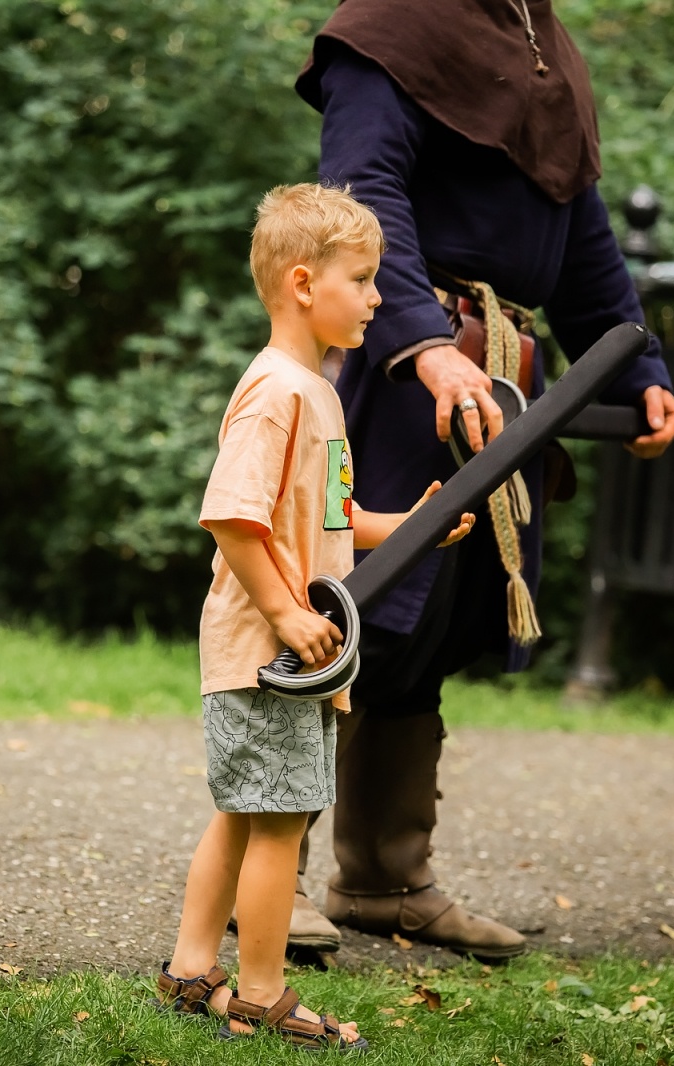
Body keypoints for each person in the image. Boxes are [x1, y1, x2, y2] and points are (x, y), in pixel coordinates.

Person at [277, 0, 674, 959]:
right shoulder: (391, 22)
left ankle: (385, 877)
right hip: (398, 363)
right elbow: (360, 192)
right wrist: (424, 341)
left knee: (438, 621)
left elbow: (579, 232)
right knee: (356, 608)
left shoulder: (537, 36)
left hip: (504, 377)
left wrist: (640, 372)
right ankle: (267, 872)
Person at [156, 183, 474, 1050]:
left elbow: (331, 518)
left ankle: (192, 971)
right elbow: (232, 514)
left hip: (281, 650)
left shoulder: (318, 393)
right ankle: (260, 991)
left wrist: (412, 523)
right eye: (364, 279)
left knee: (244, 810)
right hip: (272, 652)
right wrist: (286, 614)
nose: (379, 297)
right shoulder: (276, 393)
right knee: (281, 818)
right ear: (304, 284)